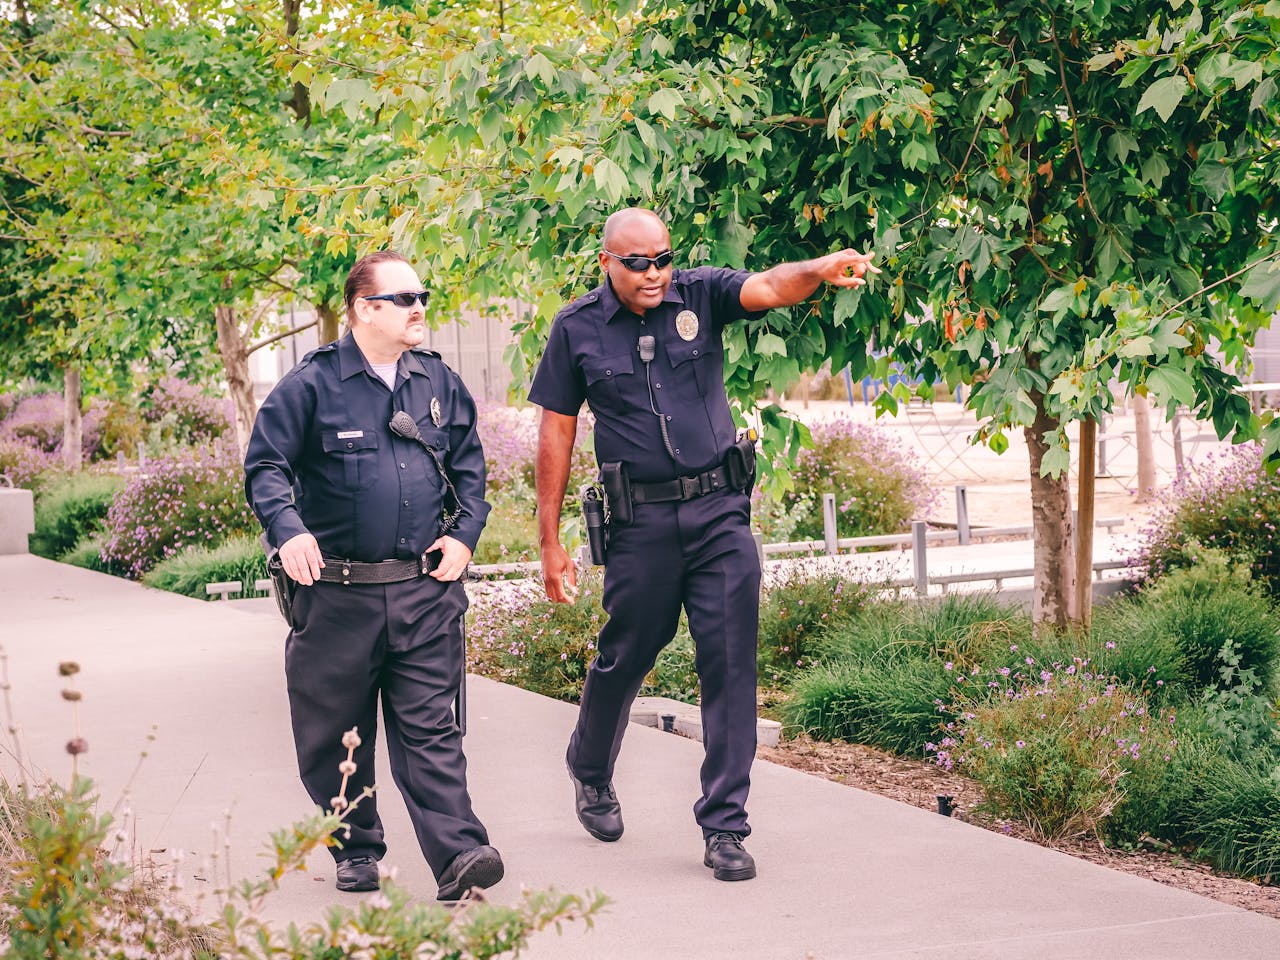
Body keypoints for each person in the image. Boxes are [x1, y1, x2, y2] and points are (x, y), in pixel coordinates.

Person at [529, 208, 878, 881]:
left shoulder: (701, 292)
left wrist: (818, 269)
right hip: (641, 526)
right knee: (625, 654)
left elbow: (771, 287)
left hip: (720, 514)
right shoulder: (576, 329)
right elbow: (557, 434)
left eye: (663, 258)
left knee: (729, 665)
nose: (656, 273)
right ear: (608, 263)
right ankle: (590, 763)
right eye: (640, 263)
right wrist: (550, 541)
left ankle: (724, 826)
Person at [243, 250, 502, 901]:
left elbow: (471, 470)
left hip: (423, 592)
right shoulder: (311, 386)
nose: (420, 308)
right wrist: (289, 528)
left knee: (430, 732)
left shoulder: (438, 383)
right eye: (405, 298)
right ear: (363, 308)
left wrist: (465, 536)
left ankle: (460, 854)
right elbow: (265, 467)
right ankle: (355, 847)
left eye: (423, 295)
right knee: (334, 736)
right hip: (336, 598)